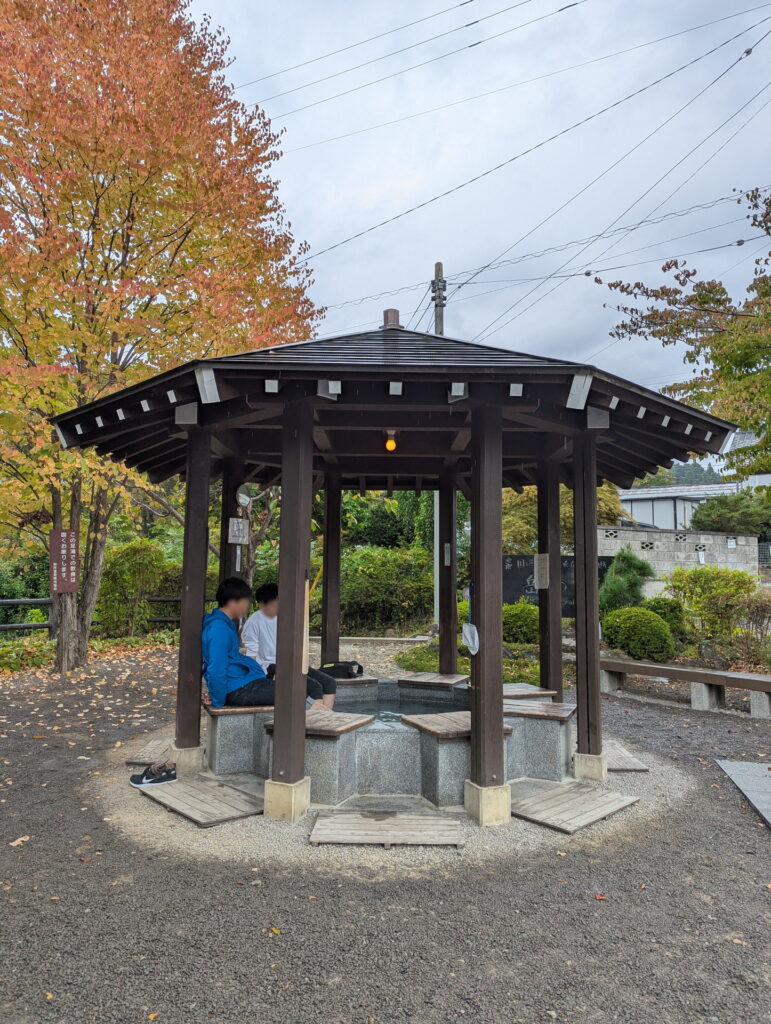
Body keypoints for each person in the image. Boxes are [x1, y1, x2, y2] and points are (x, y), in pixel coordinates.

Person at [243, 582, 337, 710]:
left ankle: (326, 719)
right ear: (262, 604)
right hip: (268, 667)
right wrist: (256, 678)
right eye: (273, 604)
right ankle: (318, 721)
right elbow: (251, 655)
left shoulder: (284, 617)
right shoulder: (253, 623)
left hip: (288, 663)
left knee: (329, 683)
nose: (277, 607)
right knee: (315, 687)